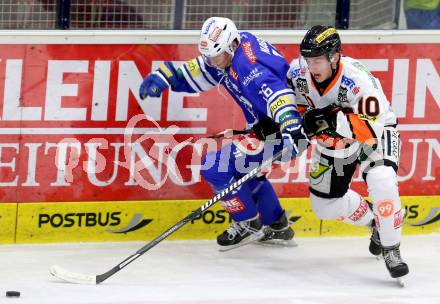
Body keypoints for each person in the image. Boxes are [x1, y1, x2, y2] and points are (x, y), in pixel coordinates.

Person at [139, 17, 308, 249]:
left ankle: (248, 223)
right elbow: (204, 68)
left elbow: (277, 95)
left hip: (283, 130)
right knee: (244, 170)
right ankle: (276, 225)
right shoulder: (233, 49)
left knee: (215, 167)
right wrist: (169, 76)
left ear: (232, 46)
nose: (212, 62)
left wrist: (289, 126)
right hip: (270, 127)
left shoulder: (249, 68)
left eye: (215, 56)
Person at [286, 25, 409, 280]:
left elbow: (369, 128)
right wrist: (298, 122)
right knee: (324, 206)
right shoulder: (297, 73)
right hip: (333, 141)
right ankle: (377, 222)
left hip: (375, 133)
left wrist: (330, 119)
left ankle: (391, 248)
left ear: (334, 57)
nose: (312, 67)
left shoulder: (358, 80)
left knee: (382, 180)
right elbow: (293, 106)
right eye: (308, 60)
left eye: (318, 60)